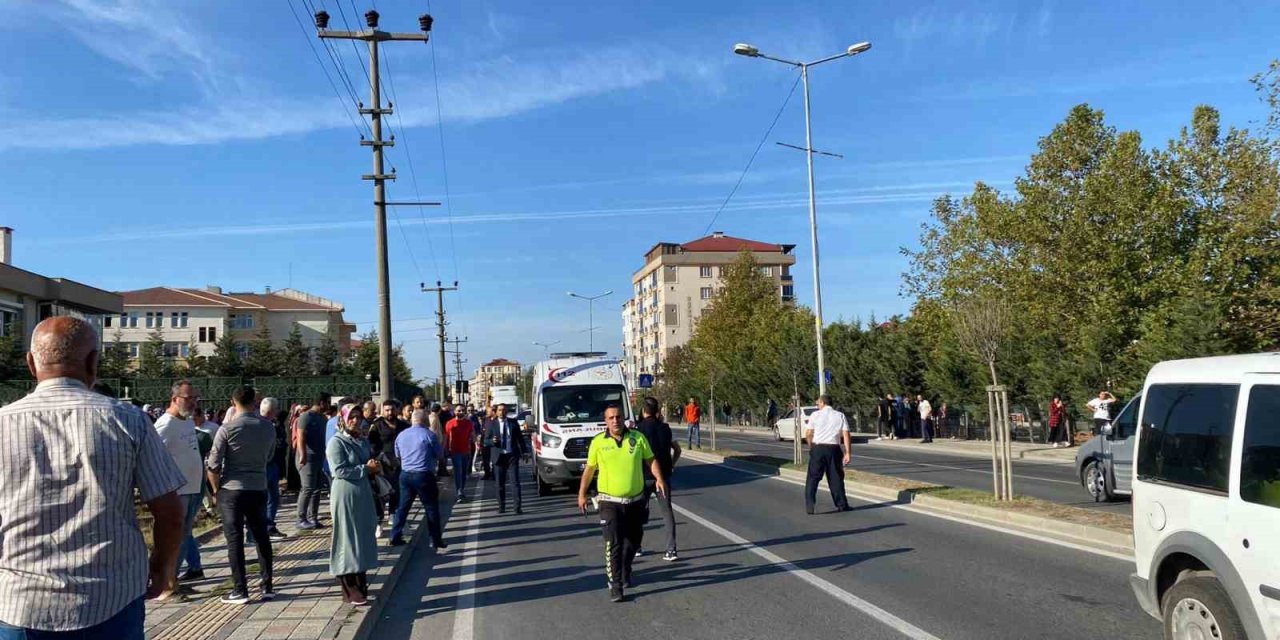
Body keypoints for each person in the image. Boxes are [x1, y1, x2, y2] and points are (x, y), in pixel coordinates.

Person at [0, 317, 185, 638]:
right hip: (112, 600)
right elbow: (169, 510)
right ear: (93, 362)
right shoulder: (128, 420)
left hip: (20, 603)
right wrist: (161, 567)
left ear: (31, 363)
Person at [577, 406, 667, 603]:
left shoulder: (637, 437)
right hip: (609, 501)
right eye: (611, 418)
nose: (615, 420)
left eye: (618, 417)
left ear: (623, 419)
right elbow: (589, 470)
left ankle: (625, 568)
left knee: (634, 541)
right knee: (614, 543)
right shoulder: (598, 443)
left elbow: (651, 459)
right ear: (606, 421)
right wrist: (582, 494)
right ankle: (615, 585)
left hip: (635, 500)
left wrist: (659, 478)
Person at [206, 385, 277, 605]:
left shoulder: (227, 429)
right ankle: (267, 585)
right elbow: (270, 455)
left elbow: (214, 465)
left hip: (232, 488)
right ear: (255, 402)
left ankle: (240, 589)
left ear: (233, 402)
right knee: (261, 537)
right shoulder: (268, 427)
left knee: (234, 540)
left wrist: (216, 490)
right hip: (258, 486)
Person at [153, 379, 207, 582]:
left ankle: (188, 571)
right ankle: (168, 581)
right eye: (188, 398)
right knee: (177, 537)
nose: (193, 402)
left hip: (193, 488)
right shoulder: (165, 424)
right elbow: (154, 456)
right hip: (178, 491)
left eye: (195, 398)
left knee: (185, 534)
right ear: (174, 399)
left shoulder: (187, 420)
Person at [327, 406, 380, 605]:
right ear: (343, 419)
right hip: (345, 494)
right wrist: (365, 469)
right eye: (352, 417)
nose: (356, 421)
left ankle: (361, 583)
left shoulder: (361, 440)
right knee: (347, 538)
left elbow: (367, 462)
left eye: (358, 417)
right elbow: (339, 470)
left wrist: (375, 467)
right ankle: (349, 588)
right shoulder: (336, 442)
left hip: (362, 492)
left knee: (362, 536)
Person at [390, 410, 447, 549]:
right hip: (423, 475)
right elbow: (439, 454)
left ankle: (395, 536)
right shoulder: (429, 435)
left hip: (405, 474)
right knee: (431, 507)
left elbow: (397, 454)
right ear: (425, 420)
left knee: (403, 507)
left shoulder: (401, 435)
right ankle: (435, 539)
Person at [635, 397, 680, 562]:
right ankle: (671, 549)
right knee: (667, 512)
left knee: (638, 511)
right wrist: (672, 464)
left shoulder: (637, 430)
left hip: (644, 476)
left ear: (643, 411)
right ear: (657, 410)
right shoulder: (666, 428)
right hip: (664, 475)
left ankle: (637, 546)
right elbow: (677, 449)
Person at [804, 395, 853, 515]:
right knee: (836, 477)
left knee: (813, 478)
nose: (817, 405)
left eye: (818, 403)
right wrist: (848, 453)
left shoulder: (815, 415)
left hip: (818, 447)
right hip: (833, 448)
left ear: (823, 402)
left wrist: (811, 446)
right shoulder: (840, 415)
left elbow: (809, 433)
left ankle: (810, 505)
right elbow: (846, 435)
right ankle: (841, 504)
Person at [369, 400, 409, 523]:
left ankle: (393, 512)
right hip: (383, 464)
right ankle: (380, 518)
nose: (390, 412)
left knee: (397, 489)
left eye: (392, 409)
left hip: (400, 463)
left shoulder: (404, 426)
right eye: (387, 410)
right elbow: (371, 444)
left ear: (397, 410)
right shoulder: (376, 425)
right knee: (382, 491)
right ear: (382, 411)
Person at [296, 393, 331, 530]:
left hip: (319, 457)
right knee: (307, 488)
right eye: (327, 402)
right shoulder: (306, 417)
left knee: (317, 489)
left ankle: (313, 517)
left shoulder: (322, 418)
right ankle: (301, 518)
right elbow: (300, 436)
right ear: (321, 403)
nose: (329, 405)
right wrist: (303, 455)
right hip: (308, 458)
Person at [485, 403, 526, 514]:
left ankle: (517, 507)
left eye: (503, 410)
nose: (501, 412)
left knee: (515, 482)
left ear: (506, 411)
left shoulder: (513, 423)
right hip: (499, 456)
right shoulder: (491, 424)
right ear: (496, 411)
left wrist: (524, 452)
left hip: (511, 455)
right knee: (499, 483)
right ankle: (501, 506)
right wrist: (491, 441)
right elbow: (485, 441)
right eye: (499, 410)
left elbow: (520, 439)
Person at [260, 397, 289, 540]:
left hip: (273, 465)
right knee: (263, 499)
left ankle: (269, 526)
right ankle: (260, 529)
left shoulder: (274, 424)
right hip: (262, 466)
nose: (278, 411)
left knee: (274, 498)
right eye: (277, 408)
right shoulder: (259, 425)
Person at [445, 404, 475, 502]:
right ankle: (459, 492)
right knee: (458, 471)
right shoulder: (450, 423)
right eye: (458, 410)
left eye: (462, 410)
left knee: (463, 473)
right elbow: (447, 437)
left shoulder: (468, 423)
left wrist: (475, 442)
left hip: (466, 451)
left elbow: (472, 435)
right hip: (455, 451)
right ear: (455, 412)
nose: (460, 412)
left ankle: (461, 489)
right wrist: (446, 449)